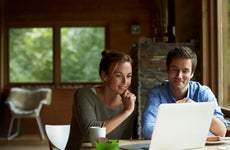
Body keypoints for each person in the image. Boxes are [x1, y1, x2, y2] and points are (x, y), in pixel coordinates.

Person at [141, 46, 227, 140]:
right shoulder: (156, 94)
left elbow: (221, 131)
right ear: (167, 70)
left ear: (192, 73)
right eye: (175, 70)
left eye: (185, 71)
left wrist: (197, 109)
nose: (179, 76)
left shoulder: (204, 93)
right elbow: (147, 129)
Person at [65, 50, 137, 150]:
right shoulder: (84, 95)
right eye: (119, 75)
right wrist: (127, 111)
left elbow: (127, 141)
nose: (125, 82)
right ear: (105, 76)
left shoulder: (130, 102)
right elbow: (91, 131)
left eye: (129, 76)